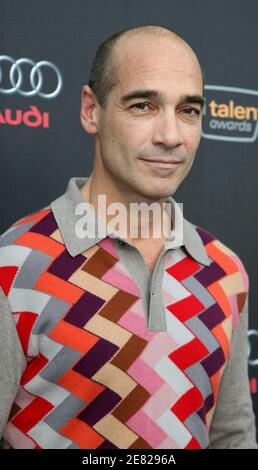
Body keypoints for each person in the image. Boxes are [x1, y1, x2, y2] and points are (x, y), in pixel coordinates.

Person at [0, 24, 257, 449]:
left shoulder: (224, 270)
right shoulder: (13, 266)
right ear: (91, 110)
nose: (171, 136)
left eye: (189, 110)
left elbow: (233, 436)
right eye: (143, 105)